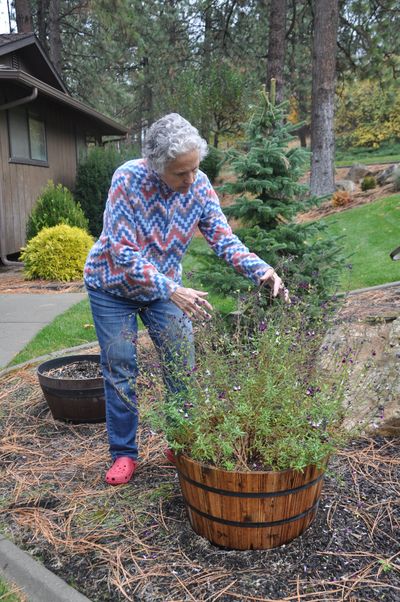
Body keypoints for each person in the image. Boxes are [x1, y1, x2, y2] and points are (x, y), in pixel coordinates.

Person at [84, 113, 289, 486]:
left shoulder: (200, 186)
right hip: (112, 287)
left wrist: (262, 270)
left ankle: (180, 442)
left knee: (182, 365)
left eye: (195, 168)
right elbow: (122, 250)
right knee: (121, 368)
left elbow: (224, 239)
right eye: (181, 172)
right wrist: (171, 288)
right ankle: (124, 454)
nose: (191, 179)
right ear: (156, 165)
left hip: (166, 292)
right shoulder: (128, 179)